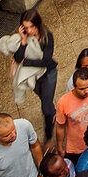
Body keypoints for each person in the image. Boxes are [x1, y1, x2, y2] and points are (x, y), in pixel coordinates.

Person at [11, 9, 58, 138]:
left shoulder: (47, 36)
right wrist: (23, 40)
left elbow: (46, 61)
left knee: (46, 107)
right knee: (44, 99)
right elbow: (17, 58)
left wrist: (25, 62)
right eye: (26, 27)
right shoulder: (26, 37)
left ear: (37, 24)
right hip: (34, 76)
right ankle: (53, 114)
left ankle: (48, 137)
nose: (30, 30)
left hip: (48, 73)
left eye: (32, 26)